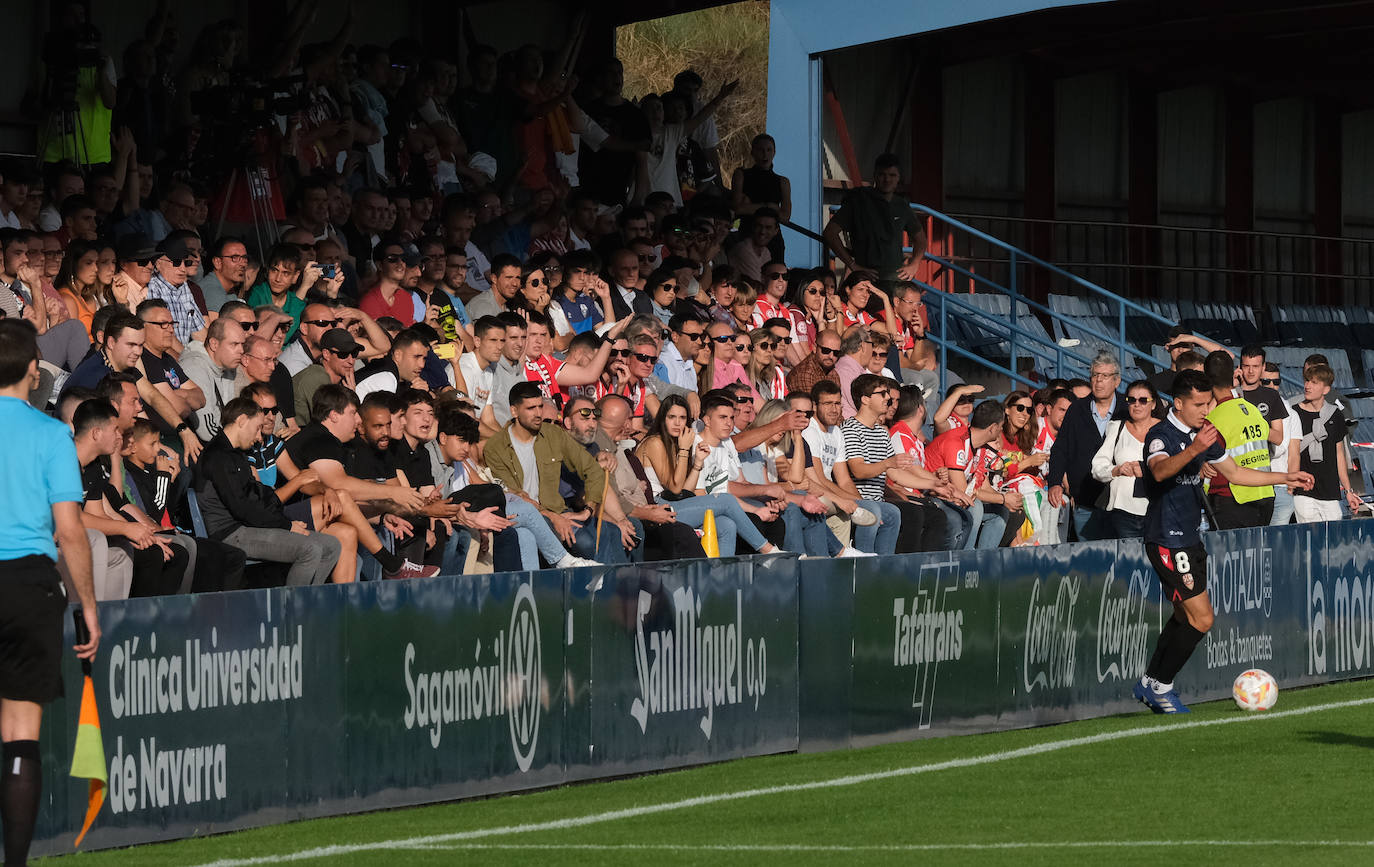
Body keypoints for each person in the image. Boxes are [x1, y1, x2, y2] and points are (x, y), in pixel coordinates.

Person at [1134, 370, 1313, 714]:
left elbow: (1235, 473)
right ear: (1178, 403)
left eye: (1208, 403)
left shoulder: (1204, 434)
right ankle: (1161, 686)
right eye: (1199, 405)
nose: (1206, 410)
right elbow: (1158, 471)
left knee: (1185, 618)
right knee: (1202, 620)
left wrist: (1284, 476)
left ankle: (1151, 682)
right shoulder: (1161, 434)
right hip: (1167, 538)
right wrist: (1194, 451)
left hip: (1190, 535)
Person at [0, 319, 98, 867]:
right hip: (28, 582)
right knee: (20, 733)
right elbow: (70, 530)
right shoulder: (49, 433)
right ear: (33, 369)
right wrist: (87, 604)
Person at [485, 381, 639, 564]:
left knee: (610, 530)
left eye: (540, 407)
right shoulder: (495, 447)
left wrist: (587, 510)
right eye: (530, 408)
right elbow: (515, 496)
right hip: (527, 513)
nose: (538, 414)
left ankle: (612, 588)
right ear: (514, 411)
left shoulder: (553, 434)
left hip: (557, 509)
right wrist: (553, 517)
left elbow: (593, 470)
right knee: (585, 543)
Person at [844, 374, 948, 552]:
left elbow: (896, 474)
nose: (888, 399)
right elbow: (859, 470)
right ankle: (867, 563)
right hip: (860, 500)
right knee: (910, 514)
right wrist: (887, 463)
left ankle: (907, 568)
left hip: (880, 501)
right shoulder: (850, 429)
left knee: (936, 516)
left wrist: (934, 483)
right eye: (882, 394)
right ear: (865, 399)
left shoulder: (881, 432)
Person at [1048, 351, 1123, 542]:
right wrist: (1055, 482)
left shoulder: (1127, 408)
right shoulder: (1077, 409)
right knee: (1090, 561)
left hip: (1120, 500)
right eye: (1095, 375)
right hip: (1084, 498)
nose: (1098, 381)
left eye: (1104, 376)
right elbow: (1060, 448)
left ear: (1117, 381)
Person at [823, 153, 927, 281]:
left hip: (895, 281)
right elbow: (830, 233)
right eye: (882, 174)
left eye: (892, 175)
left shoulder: (902, 205)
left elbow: (920, 239)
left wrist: (914, 264)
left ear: (899, 178)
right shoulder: (858, 201)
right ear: (875, 176)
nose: (887, 179)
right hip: (865, 280)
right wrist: (852, 265)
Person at [1202, 351, 1276, 529]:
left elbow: (1206, 460)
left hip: (1232, 498)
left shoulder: (1213, 419)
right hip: (1265, 495)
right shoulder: (1252, 409)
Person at [1288, 364, 1361, 523]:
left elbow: (1339, 454)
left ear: (1326, 389)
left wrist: (1348, 491)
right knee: (1309, 541)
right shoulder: (1293, 413)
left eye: (1314, 383)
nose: (1307, 386)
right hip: (1302, 491)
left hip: (1330, 491)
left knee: (1333, 541)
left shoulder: (1335, 414)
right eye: (1307, 381)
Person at [1090, 381, 1158, 539]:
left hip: (1156, 509)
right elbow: (1098, 466)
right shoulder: (1117, 428)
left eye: (1143, 400)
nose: (1136, 405)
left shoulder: (1165, 430)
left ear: (1153, 404)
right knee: (1128, 561)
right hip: (1122, 511)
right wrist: (1116, 470)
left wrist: (1147, 470)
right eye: (1131, 400)